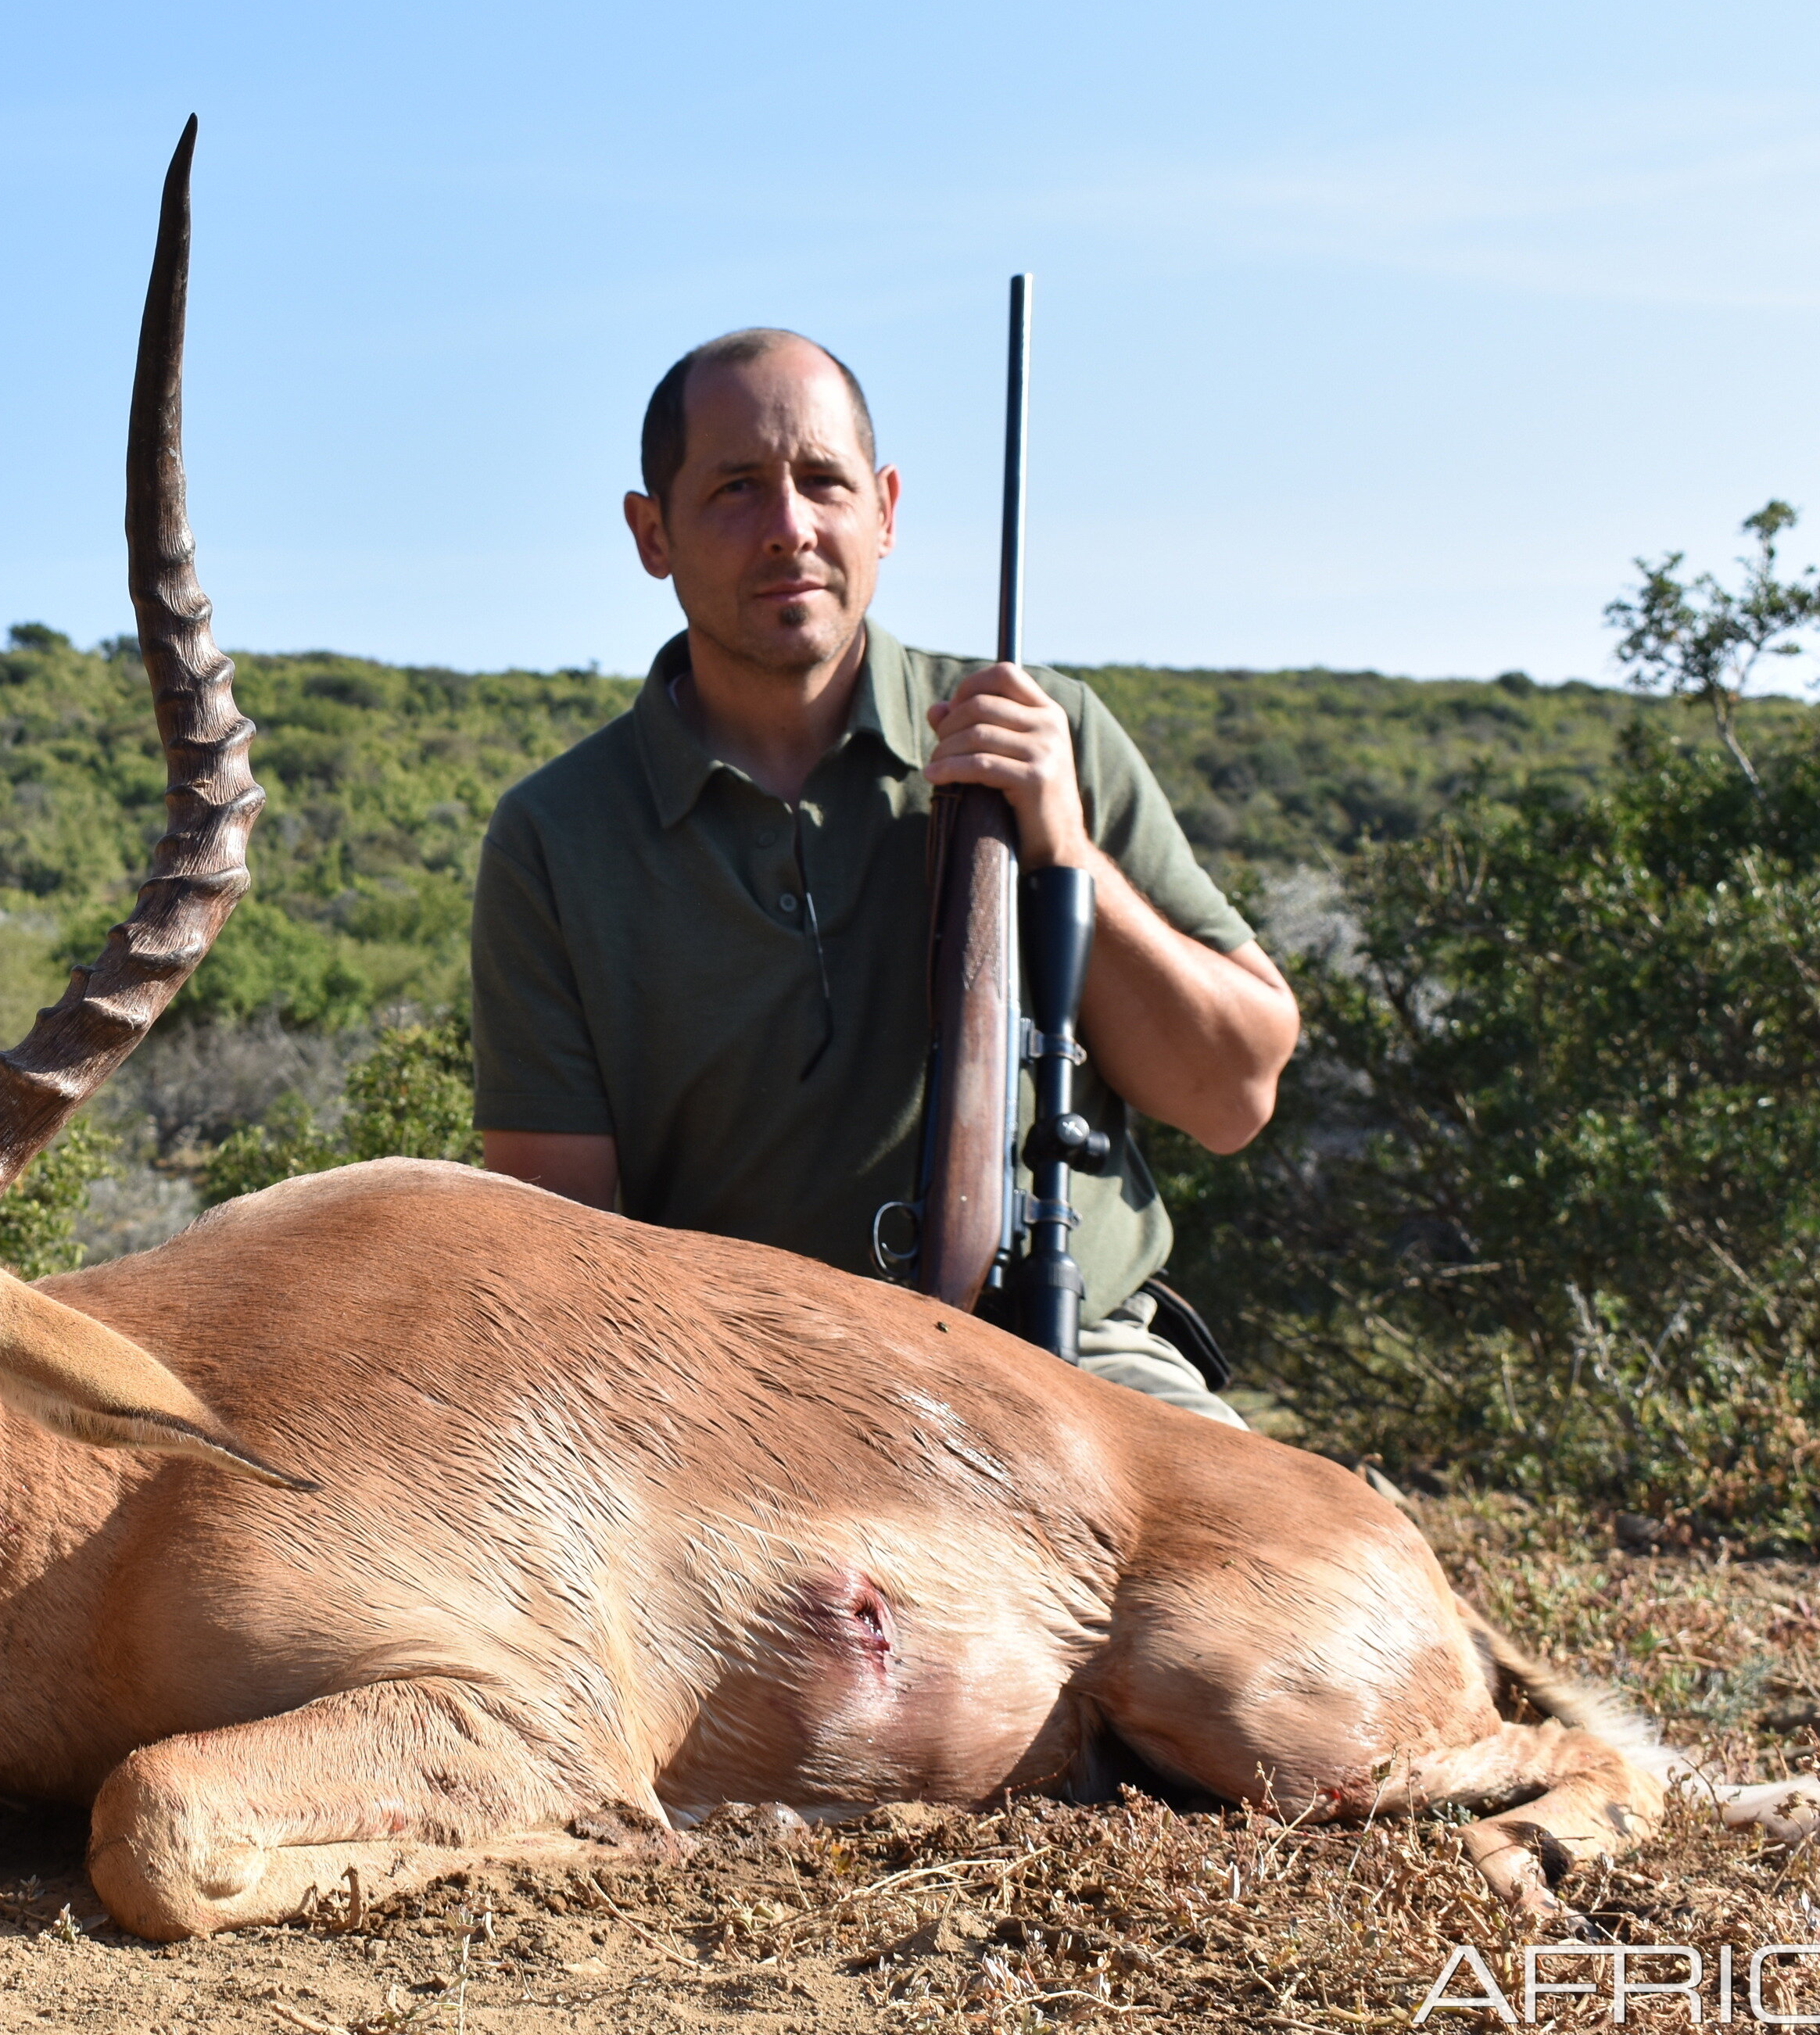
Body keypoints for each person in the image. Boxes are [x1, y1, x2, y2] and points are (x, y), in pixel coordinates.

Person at [468, 327, 1299, 1424]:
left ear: (887, 509)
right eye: (734, 490)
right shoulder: (554, 836)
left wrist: (1063, 850)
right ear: (650, 532)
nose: (790, 530)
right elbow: (555, 1247)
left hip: (1080, 1360)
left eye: (824, 482)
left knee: (1254, 1570)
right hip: (735, 1402)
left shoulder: (1050, 731)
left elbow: (1234, 1093)